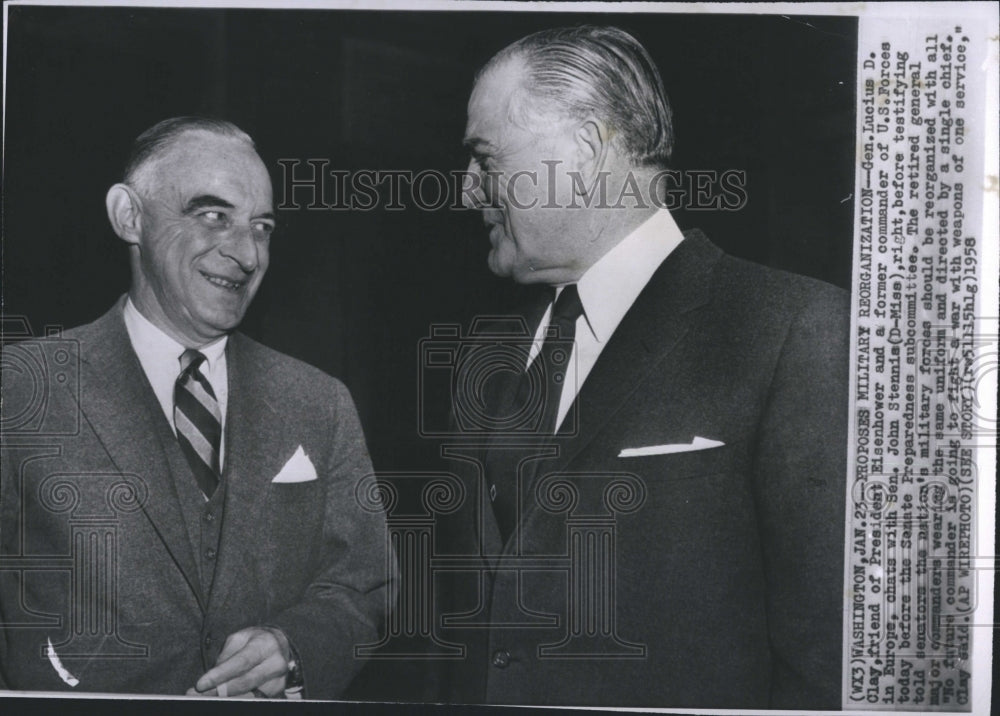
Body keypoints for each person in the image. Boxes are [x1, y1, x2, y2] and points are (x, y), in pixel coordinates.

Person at [437, 26, 849, 708]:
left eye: (485, 159)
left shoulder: (794, 332)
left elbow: (829, 663)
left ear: (589, 149)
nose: (467, 192)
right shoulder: (485, 362)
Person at [0, 117, 390, 698]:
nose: (246, 253)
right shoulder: (20, 390)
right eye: (213, 216)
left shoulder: (318, 401)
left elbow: (367, 585)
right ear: (128, 216)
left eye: (261, 227)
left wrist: (295, 645)